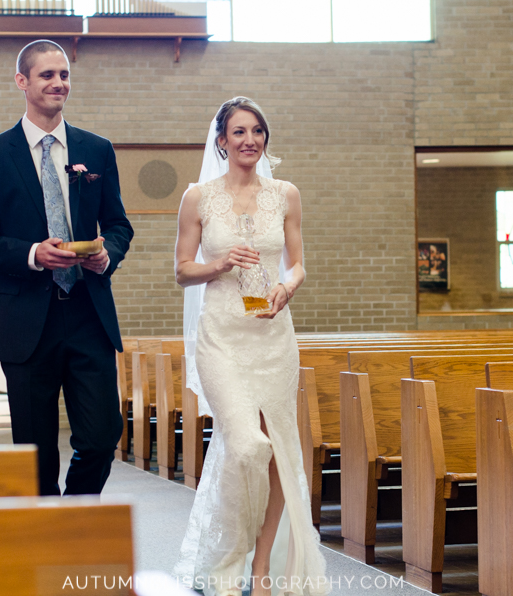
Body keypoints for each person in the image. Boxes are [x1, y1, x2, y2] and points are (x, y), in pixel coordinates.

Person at [0, 39, 133, 496]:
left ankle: (76, 511)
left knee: (101, 437)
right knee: (35, 451)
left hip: (87, 314)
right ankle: (49, 533)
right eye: (47, 75)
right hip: (26, 319)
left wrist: (106, 253)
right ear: (22, 82)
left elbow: (118, 225)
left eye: (65, 75)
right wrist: (33, 253)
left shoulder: (96, 150)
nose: (59, 83)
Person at [173, 97, 328, 596]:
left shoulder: (285, 193)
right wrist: (218, 264)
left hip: (272, 334)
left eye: (257, 131)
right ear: (221, 141)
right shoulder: (199, 197)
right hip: (221, 337)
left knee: (279, 451)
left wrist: (288, 288)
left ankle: (260, 567)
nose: (249, 140)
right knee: (246, 447)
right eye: (238, 132)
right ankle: (227, 557)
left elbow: (298, 262)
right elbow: (181, 271)